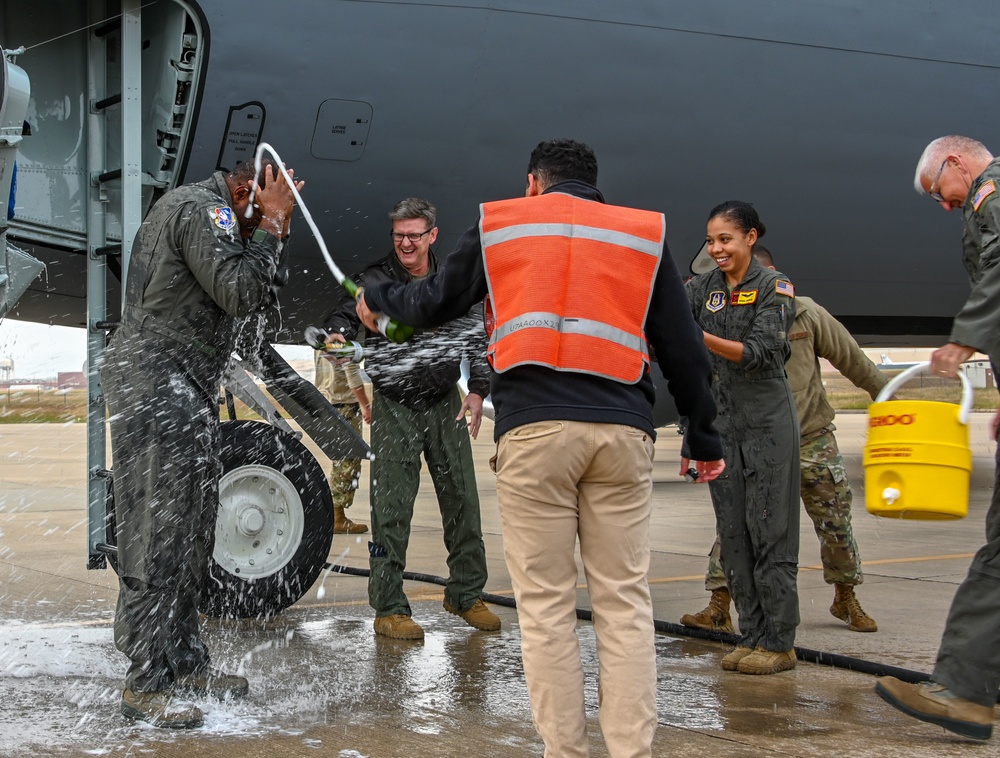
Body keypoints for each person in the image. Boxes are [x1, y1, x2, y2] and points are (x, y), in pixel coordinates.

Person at [354, 139, 725, 758]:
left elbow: (435, 298)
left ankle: (566, 752)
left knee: (548, 609)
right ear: (594, 184)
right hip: (622, 432)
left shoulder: (503, 223)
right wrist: (702, 434)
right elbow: (683, 346)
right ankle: (632, 751)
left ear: (533, 183)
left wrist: (377, 302)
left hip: (534, 432)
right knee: (624, 601)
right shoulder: (641, 233)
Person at [100, 158, 303, 728]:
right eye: (263, 206)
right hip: (158, 377)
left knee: (191, 528)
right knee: (159, 531)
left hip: (181, 380)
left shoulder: (221, 216)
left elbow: (256, 310)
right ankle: (145, 682)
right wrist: (267, 230)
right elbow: (238, 291)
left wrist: (271, 233)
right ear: (245, 191)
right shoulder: (204, 210)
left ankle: (184, 661)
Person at [682, 245, 885, 635]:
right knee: (737, 523)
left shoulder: (805, 312)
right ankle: (719, 604)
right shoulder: (723, 316)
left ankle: (846, 597)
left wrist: (893, 398)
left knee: (834, 523)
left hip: (810, 438)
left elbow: (854, 361)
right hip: (753, 438)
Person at [324, 197, 499, 641]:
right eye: (399, 234)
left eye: (414, 235)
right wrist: (337, 333)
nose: (405, 242)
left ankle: (466, 594)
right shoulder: (375, 279)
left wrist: (478, 390)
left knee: (462, 501)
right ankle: (389, 607)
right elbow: (342, 315)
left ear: (432, 235)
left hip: (445, 401)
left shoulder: (452, 281)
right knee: (391, 511)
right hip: (394, 406)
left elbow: (477, 335)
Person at [874, 135, 1000, 741]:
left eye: (938, 192)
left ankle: (965, 693)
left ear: (956, 163)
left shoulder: (993, 199)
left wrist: (964, 339)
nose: (943, 206)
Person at [685, 201, 800, 675]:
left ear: (751, 238)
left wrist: (697, 337)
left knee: (769, 530)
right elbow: (667, 319)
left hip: (767, 423)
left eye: (725, 239)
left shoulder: (776, 288)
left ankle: (779, 641)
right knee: (733, 534)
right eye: (711, 240)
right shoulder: (704, 289)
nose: (716, 249)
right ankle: (751, 634)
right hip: (721, 424)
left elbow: (760, 354)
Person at [313, 350, 371, 534]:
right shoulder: (344, 333)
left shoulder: (323, 332)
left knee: (340, 459)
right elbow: (352, 373)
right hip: (344, 403)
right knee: (348, 461)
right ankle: (337, 517)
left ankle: (332, 513)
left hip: (326, 400)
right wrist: (365, 405)